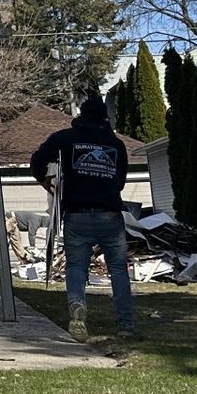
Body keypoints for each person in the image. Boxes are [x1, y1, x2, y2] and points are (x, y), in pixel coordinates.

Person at [30, 92, 135, 340]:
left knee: (77, 266)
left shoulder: (65, 139)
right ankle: (126, 325)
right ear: (105, 118)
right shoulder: (116, 145)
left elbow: (38, 158)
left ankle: (77, 305)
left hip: (77, 214)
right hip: (110, 214)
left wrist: (43, 179)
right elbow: (120, 181)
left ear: (80, 116)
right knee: (118, 269)